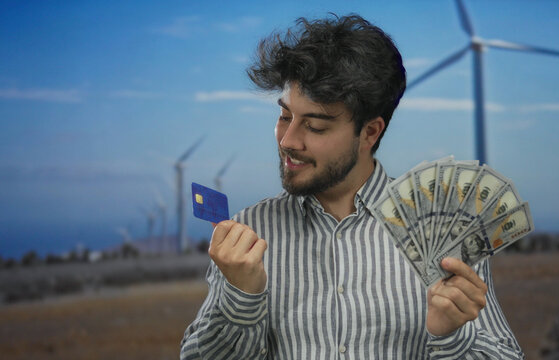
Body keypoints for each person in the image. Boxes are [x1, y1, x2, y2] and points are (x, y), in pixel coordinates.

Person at [181, 14, 524, 359]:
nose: (287, 140)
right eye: (284, 116)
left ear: (370, 132)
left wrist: (453, 336)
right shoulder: (248, 234)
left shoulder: (447, 233)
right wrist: (241, 298)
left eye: (314, 126)